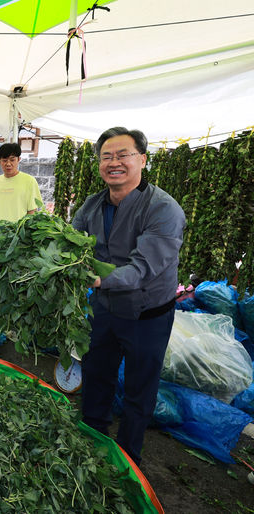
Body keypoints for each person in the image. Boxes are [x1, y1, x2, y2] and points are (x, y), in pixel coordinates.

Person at [71, 126, 185, 465]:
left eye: (123, 155)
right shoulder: (91, 206)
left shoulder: (163, 209)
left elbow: (142, 268)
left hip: (147, 315)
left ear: (143, 160)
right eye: (106, 156)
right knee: (96, 378)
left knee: (139, 391)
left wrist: (96, 281)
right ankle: (91, 445)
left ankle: (127, 461)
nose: (114, 162)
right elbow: (67, 243)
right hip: (104, 310)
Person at [0, 142, 42, 249]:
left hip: (17, 239)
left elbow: (32, 213)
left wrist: (26, 238)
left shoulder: (29, 181)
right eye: (4, 160)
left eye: (12, 159)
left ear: (18, 159)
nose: (8, 164)